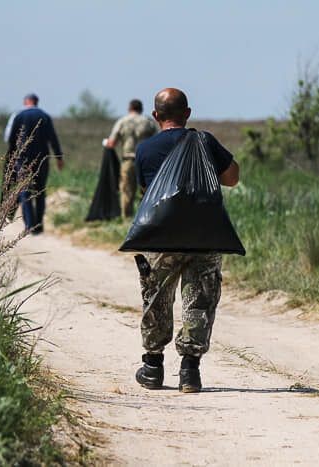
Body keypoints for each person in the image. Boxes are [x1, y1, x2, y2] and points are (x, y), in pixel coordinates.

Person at [133, 88, 240, 393]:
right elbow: (232, 177)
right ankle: (189, 372)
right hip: (204, 236)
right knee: (200, 301)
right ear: (187, 113)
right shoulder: (204, 141)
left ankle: (152, 367)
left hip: (160, 237)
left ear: (156, 116)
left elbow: (145, 191)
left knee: (156, 298)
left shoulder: (145, 149)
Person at [7, 93, 63, 234]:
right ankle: (39, 225)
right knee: (39, 191)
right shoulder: (44, 116)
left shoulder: (19, 116)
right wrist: (59, 157)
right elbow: (53, 138)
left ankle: (29, 225)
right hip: (41, 159)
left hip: (22, 159)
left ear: (26, 102)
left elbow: (11, 139)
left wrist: (11, 159)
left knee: (24, 191)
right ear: (36, 102)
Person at [106, 99, 159, 218]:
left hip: (128, 160)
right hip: (146, 161)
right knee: (146, 191)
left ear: (129, 108)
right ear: (141, 109)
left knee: (126, 191)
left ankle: (127, 219)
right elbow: (157, 140)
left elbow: (111, 143)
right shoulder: (148, 122)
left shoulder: (122, 122)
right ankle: (144, 218)